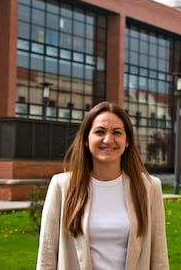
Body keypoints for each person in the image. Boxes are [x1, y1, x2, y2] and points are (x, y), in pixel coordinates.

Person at [36, 101, 169, 270]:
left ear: (127, 141)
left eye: (117, 132)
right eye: (99, 132)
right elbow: (46, 256)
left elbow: (159, 257)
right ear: (86, 139)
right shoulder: (62, 186)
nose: (108, 139)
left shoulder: (149, 187)